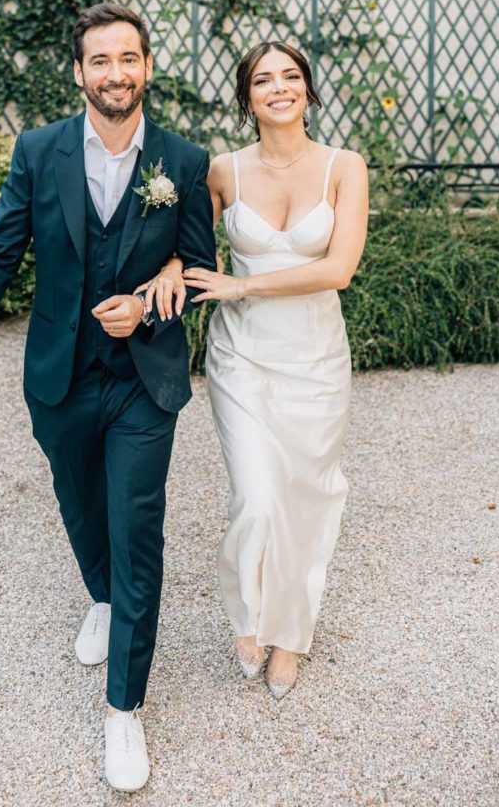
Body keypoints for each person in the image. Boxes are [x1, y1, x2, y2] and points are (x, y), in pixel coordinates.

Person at [0, 3, 216, 792]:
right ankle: (98, 596)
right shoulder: (38, 150)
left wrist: (158, 297)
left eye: (128, 58)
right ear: (80, 72)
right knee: (79, 501)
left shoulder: (184, 162)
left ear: (147, 66)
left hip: (143, 381)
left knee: (136, 526)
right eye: (100, 61)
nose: (115, 73)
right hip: (58, 371)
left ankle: (124, 711)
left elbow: (199, 266)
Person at [140, 40, 368, 699]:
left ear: (306, 89)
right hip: (240, 357)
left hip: (315, 357)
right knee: (256, 497)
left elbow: (339, 268)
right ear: (246, 97)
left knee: (307, 496)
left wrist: (241, 287)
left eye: (290, 76)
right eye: (263, 79)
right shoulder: (222, 171)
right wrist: (168, 268)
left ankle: (290, 635)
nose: (278, 88)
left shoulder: (342, 167)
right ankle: (247, 616)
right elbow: (185, 244)